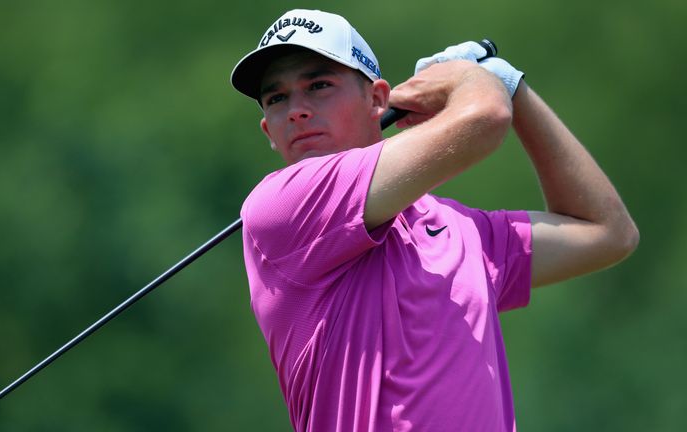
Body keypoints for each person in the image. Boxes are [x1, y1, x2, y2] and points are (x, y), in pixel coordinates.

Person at [230, 9, 638, 432]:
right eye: (277, 98)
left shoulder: (461, 231)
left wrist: (513, 87)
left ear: (377, 100)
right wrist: (471, 80)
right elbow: (485, 119)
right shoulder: (279, 207)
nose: (296, 110)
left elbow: (608, 232)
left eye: (319, 85)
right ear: (268, 131)